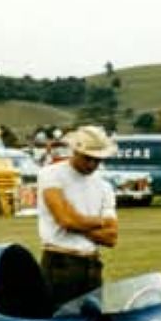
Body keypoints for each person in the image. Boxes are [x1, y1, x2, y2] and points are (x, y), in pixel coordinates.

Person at [38, 125, 119, 307]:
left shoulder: (104, 186)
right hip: (60, 263)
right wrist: (99, 222)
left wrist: (77, 223)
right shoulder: (51, 175)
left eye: (97, 160)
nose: (92, 165)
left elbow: (111, 237)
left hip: (92, 264)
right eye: (88, 158)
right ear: (74, 151)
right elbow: (66, 220)